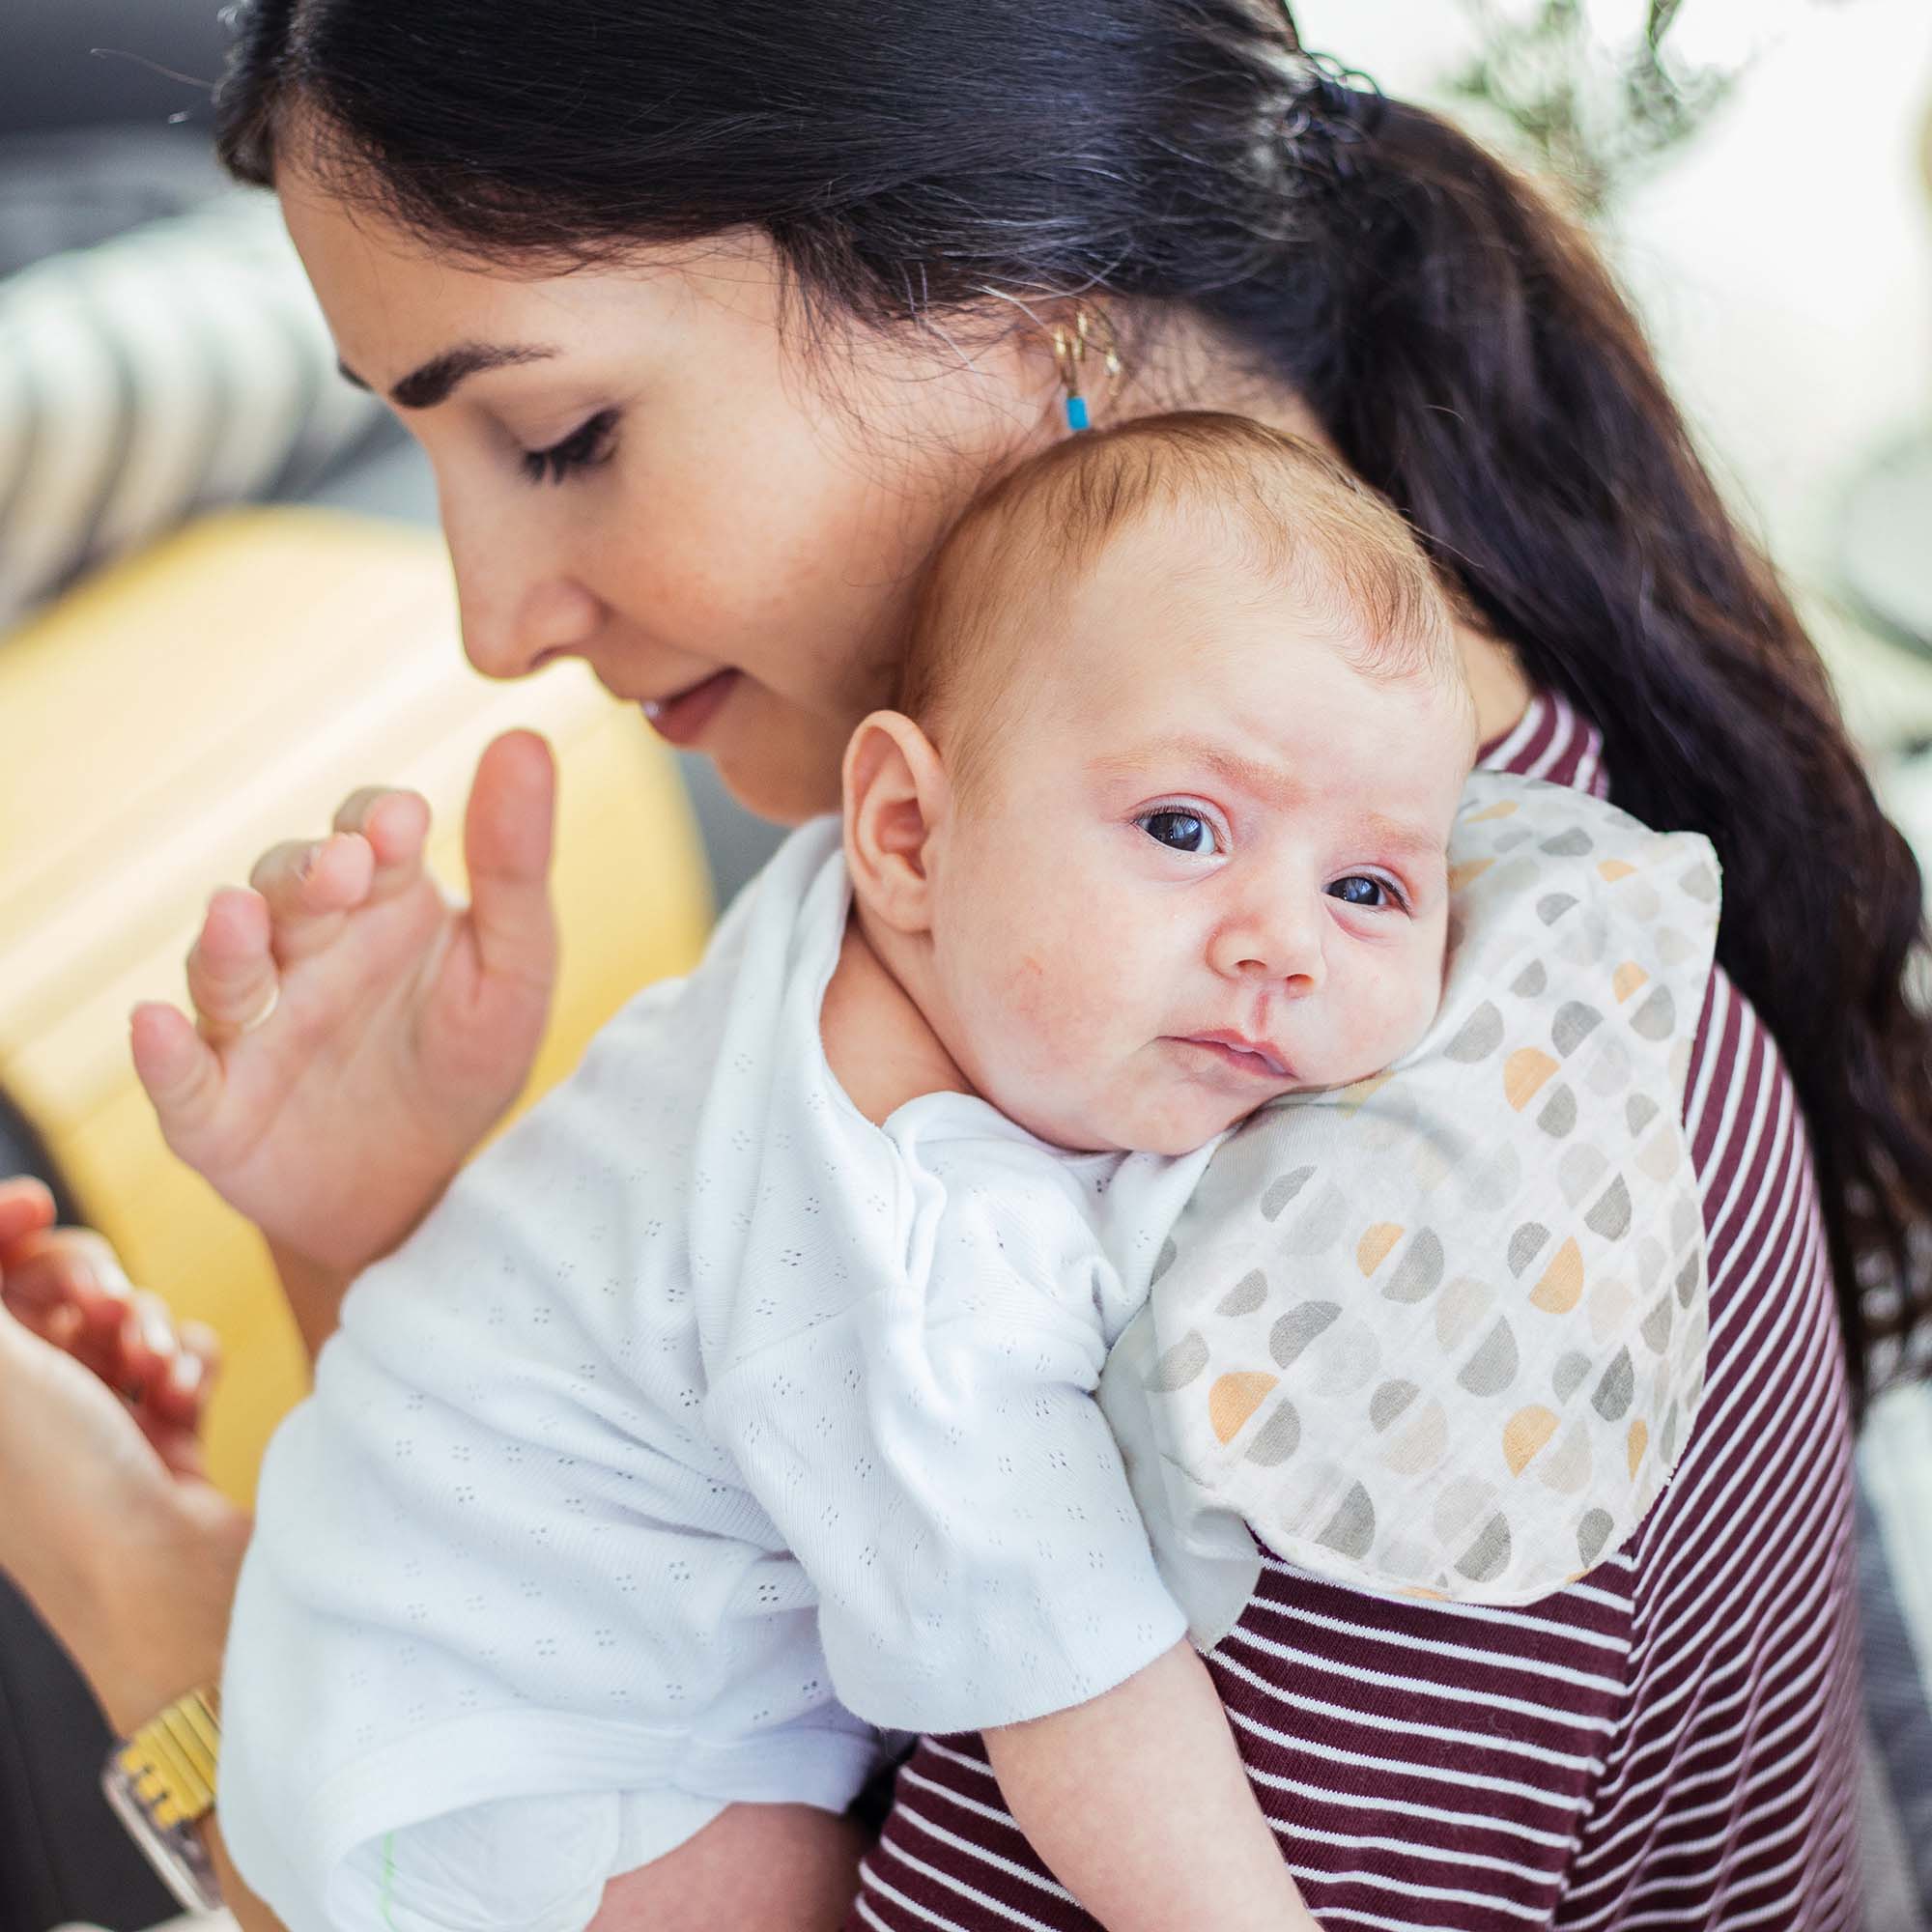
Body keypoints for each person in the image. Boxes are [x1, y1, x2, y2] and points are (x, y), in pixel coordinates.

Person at [1, 1, 1927, 1927]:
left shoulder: (1360, 1202)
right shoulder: (1234, 878)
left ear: (1028, 292)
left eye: (558, 435)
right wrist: (387, 1263)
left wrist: (141, 1597)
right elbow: (700, 1656)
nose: (491, 621)